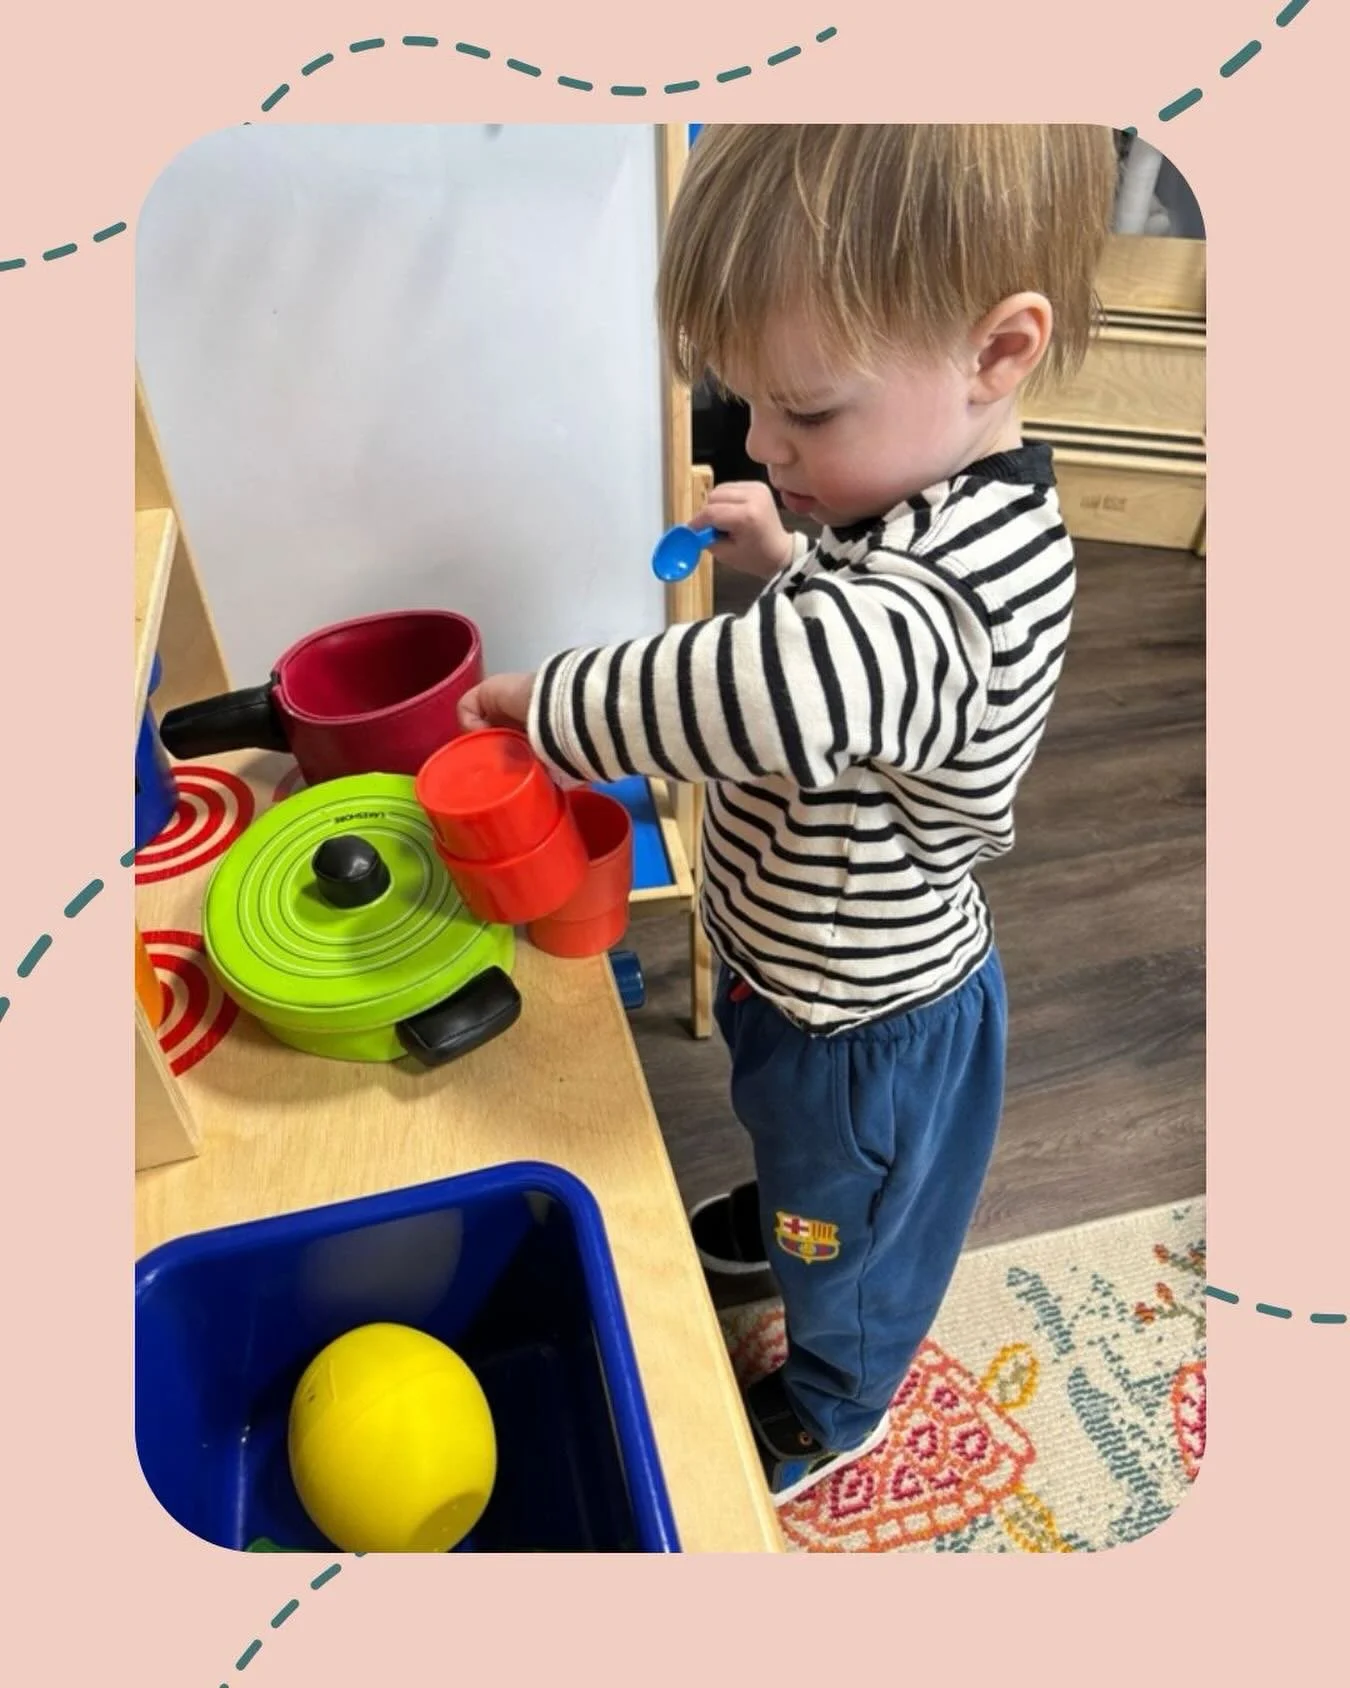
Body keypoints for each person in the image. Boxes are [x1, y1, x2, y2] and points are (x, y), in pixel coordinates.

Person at [458, 124, 1119, 1505]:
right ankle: (793, 1215)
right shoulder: (927, 509)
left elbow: (772, 687)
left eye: (805, 414)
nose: (761, 441)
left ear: (999, 354)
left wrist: (546, 706)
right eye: (745, 402)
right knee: (789, 1140)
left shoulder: (962, 591)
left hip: (867, 1021)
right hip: (798, 972)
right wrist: (794, 548)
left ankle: (838, 1398)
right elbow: (858, 613)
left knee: (855, 1237)